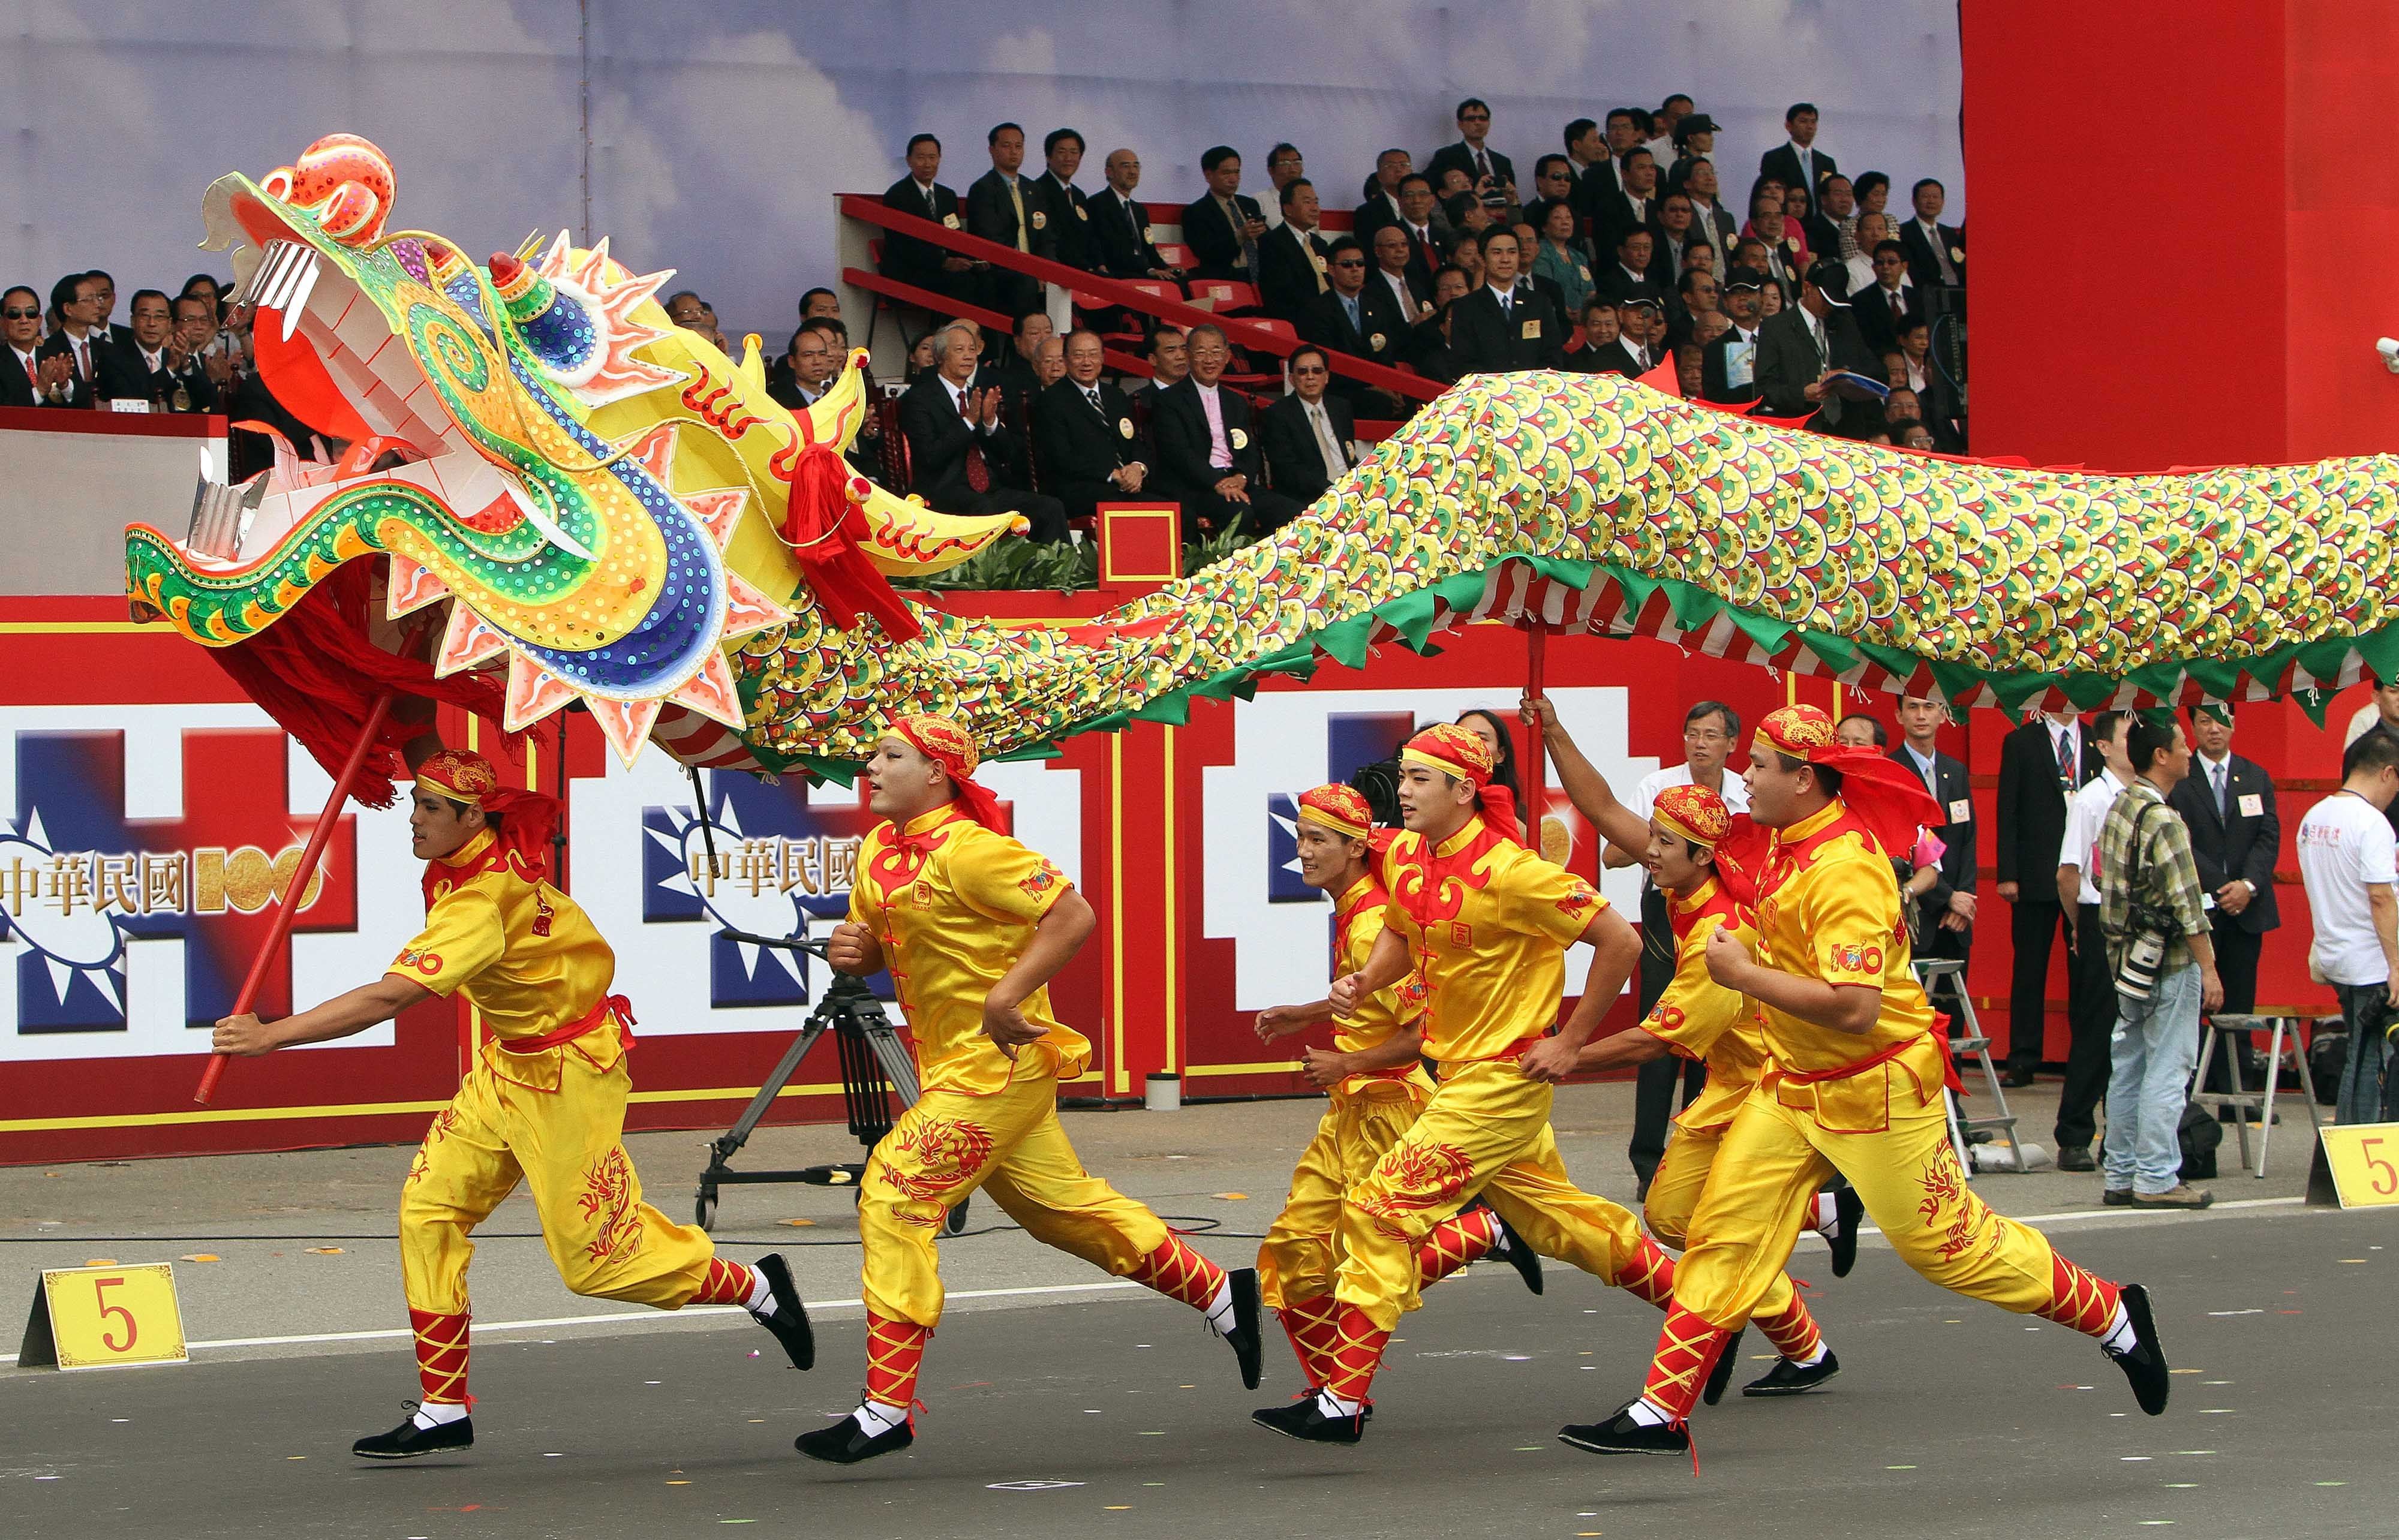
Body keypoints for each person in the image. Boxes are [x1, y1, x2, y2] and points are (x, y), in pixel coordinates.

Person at [1558, 705, 2172, 1463]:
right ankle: (1661, 1409)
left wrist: (1742, 973)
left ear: (1803, 780)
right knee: (1719, 1230)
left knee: (1952, 1250)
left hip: (1874, 1088)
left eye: (1758, 765)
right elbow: (1645, 841)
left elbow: (1855, 1009)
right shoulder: (1782, 844)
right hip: (1790, 1087)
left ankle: (2115, 1316)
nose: (1743, 776)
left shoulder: (1846, 870)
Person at [210, 732, 816, 1459]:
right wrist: (396, 687)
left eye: (431, 808)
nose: (414, 818)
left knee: (597, 1262)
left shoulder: (480, 902)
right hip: (509, 1068)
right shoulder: (474, 847)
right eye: (414, 803)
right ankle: (443, 1406)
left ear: (473, 819)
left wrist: (271, 1035)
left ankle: (754, 1287)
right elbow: (421, 740)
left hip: (570, 1079)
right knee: (429, 1211)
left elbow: (388, 998)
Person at [799, 715, 1263, 1463]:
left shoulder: (976, 851)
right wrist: (853, 950)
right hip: (950, 1066)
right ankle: (1219, 1294)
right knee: (1060, 1211)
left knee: (892, 1192)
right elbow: (877, 947)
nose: (871, 768)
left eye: (890, 756)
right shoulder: (880, 851)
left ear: (937, 773)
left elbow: (1072, 915)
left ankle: (886, 1409)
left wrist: (1004, 995)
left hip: (997, 1065)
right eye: (873, 755)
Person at [1250, 725, 1667, 1446]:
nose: (1403, 791)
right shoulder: (1408, 855)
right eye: (1405, 776)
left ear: (1464, 791)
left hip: (1502, 1080)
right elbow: (1402, 933)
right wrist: (1364, 980)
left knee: (1379, 1210)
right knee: (1560, 1224)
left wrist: (1570, 1041)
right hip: (1454, 1078)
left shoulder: (1515, 872)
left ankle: (1342, 1401)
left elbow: (1620, 940)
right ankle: (1714, 1309)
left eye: (1419, 779)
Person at [1528, 753, 1863, 1398]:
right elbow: (1601, 811)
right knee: (1681, 1219)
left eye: (1661, 844)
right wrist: (1555, 730)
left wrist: (1565, 1055)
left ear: (1703, 856)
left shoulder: (1717, 930)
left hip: (1763, 1093)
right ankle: (1807, 1328)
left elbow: (1657, 1041)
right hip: (1727, 1083)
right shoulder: (1685, 878)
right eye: (1650, 837)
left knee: (1700, 1228)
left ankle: (1705, 1360)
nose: (1645, 852)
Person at [1252, 784, 1535, 1399]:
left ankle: (1481, 1233)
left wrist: (1346, 1060)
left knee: (1369, 1251)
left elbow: (1421, 1033)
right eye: (1299, 837)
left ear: (1355, 850)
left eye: (1318, 840)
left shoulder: (1372, 924)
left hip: (1390, 1112)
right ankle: (1331, 1389)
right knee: (1292, 1254)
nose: (1303, 851)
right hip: (1349, 1112)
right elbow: (1361, 999)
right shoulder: (1355, 913)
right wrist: (1304, 1014)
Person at [1583, 700, 1749, 1195]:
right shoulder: (1658, 788)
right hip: (1664, 916)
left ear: (1731, 744)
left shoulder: (1747, 792)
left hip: (1723, 915)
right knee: (1660, 1038)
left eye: (1712, 735)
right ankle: (1648, 1161)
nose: (1700, 744)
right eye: (1692, 733)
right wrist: (1652, 842)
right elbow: (1613, 847)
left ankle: (1702, 1150)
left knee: (1711, 1041)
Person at [2096, 717, 2221, 1209]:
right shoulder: (2165, 819)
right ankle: (2156, 1175)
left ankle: (2121, 1172)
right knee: (2169, 1068)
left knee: (2127, 1066)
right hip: (2167, 962)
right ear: (2161, 757)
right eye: (2183, 745)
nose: (2190, 751)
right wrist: (2208, 968)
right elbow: (2189, 906)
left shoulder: (2122, 805)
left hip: (2127, 961)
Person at [2296, 728, 2399, 1124]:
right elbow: (2380, 897)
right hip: (2372, 962)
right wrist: (2396, 966)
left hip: (2335, 953)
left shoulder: (2313, 817)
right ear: (2388, 773)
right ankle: (2361, 1155)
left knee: (2359, 1055)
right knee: (2374, 1065)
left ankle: (2348, 1146)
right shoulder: (2371, 823)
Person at [1996, 709, 2103, 1085]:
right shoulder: (2022, 740)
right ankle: (2023, 1058)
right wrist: (2007, 873)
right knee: (2029, 969)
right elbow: (2007, 808)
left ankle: (2084, 1057)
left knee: (2085, 967)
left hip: (2084, 874)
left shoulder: (2095, 739)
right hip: (2034, 873)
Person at [897, 321, 1068, 543]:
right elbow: (930, 456)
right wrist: (968, 421)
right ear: (940, 356)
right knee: (986, 510)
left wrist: (990, 423)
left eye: (972, 349)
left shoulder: (977, 395)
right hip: (944, 490)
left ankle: (1059, 575)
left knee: (1051, 507)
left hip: (991, 487)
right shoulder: (920, 399)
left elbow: (1010, 454)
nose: (968, 356)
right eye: (959, 350)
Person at [2054, 711, 2133, 1172]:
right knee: (2095, 1029)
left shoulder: (2143, 795)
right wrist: (2078, 926)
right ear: (2103, 747)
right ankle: (2075, 1133)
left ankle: (2120, 1135)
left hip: (2134, 918)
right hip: (2097, 914)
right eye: (2126, 738)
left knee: (2131, 1031)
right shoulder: (2092, 799)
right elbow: (2069, 872)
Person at [2166, 705, 2280, 1021]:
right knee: (2197, 1008)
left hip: (2248, 909)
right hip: (2201, 907)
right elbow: (2180, 842)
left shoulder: (2255, 776)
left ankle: (2236, 1071)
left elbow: (2268, 838)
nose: (2214, 729)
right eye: (2205, 721)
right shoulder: (2180, 778)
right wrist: (2222, 887)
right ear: (2192, 727)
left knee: (2241, 1007)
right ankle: (2200, 1072)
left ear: (2234, 724)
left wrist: (2247, 886)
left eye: (2221, 721)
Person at [1149, 323, 1301, 542]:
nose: (1209, 360)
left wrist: (1241, 477)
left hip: (1235, 481)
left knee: (1292, 512)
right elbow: (1179, 453)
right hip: (1196, 486)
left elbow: (1248, 450)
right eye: (1201, 352)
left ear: (1228, 356)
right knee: (1240, 514)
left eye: (1216, 352)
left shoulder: (1235, 402)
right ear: (1188, 356)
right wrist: (1217, 483)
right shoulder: (1169, 400)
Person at [1033, 328, 1149, 527]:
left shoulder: (1116, 396)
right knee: (1127, 511)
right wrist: (1112, 474)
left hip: (1126, 486)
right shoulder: (1051, 400)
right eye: (1079, 356)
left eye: (1093, 354)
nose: (1087, 362)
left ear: (1103, 358)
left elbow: (1134, 440)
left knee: (1177, 508)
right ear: (1067, 360)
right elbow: (1061, 456)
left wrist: (1137, 468)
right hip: (1082, 488)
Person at [1755, 263, 1877, 437]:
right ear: (1807, 288)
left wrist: (1848, 374)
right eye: (1826, 299)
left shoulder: (1844, 322)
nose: (1831, 307)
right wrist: (1801, 394)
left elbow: (1875, 370)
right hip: (1801, 430)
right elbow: (1764, 388)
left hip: (1847, 430)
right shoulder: (1775, 327)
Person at [1299, 236, 1410, 405]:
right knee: (1378, 403)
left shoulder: (1376, 306)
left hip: (1377, 386)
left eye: (1360, 264)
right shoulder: (1318, 310)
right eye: (1347, 265)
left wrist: (1389, 386)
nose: (1355, 269)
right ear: (1331, 270)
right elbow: (1326, 361)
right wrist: (1371, 387)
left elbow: (1385, 354)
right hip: (1340, 389)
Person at [1446, 227, 1564, 374]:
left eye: (1512, 252)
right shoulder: (1465, 307)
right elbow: (1464, 362)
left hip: (1534, 391)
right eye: (1497, 252)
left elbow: (1553, 355)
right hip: (1488, 393)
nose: (1506, 259)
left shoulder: (1539, 303)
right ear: (1482, 259)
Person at [880, 134, 980, 302]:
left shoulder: (947, 196)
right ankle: (953, 329)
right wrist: (945, 262)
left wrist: (972, 261)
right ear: (908, 160)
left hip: (942, 269)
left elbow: (955, 234)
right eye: (921, 158)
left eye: (932, 158)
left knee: (985, 279)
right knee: (962, 283)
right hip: (910, 272)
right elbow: (904, 245)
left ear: (939, 159)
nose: (927, 164)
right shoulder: (897, 196)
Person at [1259, 345, 1356, 506]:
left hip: (1349, 487)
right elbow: (1286, 468)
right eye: (1303, 372)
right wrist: (1328, 488)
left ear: (1327, 377)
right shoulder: (1277, 414)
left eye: (1317, 371)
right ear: (1292, 379)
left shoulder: (1341, 407)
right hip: (1309, 495)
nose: (1310, 377)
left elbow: (1350, 453)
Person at [1091, 149, 1182, 282]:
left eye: (1136, 166)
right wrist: (1149, 270)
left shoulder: (1139, 210)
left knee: (1182, 280)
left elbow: (1149, 249)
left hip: (1141, 270)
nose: (1133, 172)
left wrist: (1166, 268)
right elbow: (1113, 249)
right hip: (1118, 272)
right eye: (1126, 166)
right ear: (1109, 172)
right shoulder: (1098, 204)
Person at [1183, 146, 1268, 282]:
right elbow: (1207, 252)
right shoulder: (1196, 212)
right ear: (1208, 175)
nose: (1234, 179)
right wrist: (1240, 236)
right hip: (1229, 278)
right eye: (1226, 173)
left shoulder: (1250, 204)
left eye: (1237, 172)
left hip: (1265, 274)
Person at [1424, 98, 1517, 216]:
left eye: (1483, 118)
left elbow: (1513, 197)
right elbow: (1429, 187)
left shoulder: (1503, 162)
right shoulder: (1446, 156)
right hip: (1464, 219)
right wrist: (1473, 195)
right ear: (1460, 124)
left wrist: (1512, 200)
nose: (1477, 123)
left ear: (1489, 123)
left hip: (1501, 218)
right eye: (1471, 119)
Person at [1259, 179, 1333, 323]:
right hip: (1299, 320)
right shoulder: (1272, 242)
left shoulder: (1320, 244)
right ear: (1288, 209)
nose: (1315, 208)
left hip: (1329, 317)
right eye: (1307, 202)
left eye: (1316, 202)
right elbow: (1281, 295)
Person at [35, 272, 111, 409]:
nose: (97, 305)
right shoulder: (46, 351)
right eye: (89, 299)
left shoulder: (108, 349)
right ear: (68, 309)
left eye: (97, 298)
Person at [1701, 267, 1766, 404]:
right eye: (1735, 293)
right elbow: (1714, 399)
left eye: (1749, 292)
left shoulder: (1780, 338)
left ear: (1761, 297)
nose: (1742, 298)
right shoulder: (1715, 349)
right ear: (1725, 302)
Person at [1036, 128, 1095, 273]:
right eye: (1062, 152)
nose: (1068, 158)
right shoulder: (1037, 190)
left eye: (1074, 152)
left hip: (1083, 270)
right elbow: (1045, 239)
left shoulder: (1079, 195)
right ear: (1048, 157)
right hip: (1056, 270)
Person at [1530, 198, 1595, 321]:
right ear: (1544, 226)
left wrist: (1586, 313)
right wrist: (1562, 310)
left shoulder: (1579, 256)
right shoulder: (1540, 252)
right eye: (1557, 218)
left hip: (1583, 321)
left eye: (1568, 217)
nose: (1565, 222)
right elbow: (1545, 290)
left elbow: (1591, 291)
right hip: (1554, 319)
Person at [1759, 103, 1836, 201]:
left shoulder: (1827, 163)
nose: (1810, 127)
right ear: (1789, 126)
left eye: (1813, 122)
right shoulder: (1774, 158)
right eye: (1803, 121)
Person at [1901, 178, 1966, 290]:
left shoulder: (1950, 233)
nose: (1931, 201)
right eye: (1925, 197)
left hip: (1957, 293)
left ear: (1943, 201)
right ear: (1914, 201)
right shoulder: (1904, 232)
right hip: (1925, 295)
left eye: (1935, 197)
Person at [1354, 148, 1414, 240]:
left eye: (1404, 165)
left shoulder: (1422, 205)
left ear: (1411, 172)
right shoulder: (1367, 212)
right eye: (1390, 166)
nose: (1398, 170)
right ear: (1379, 176)